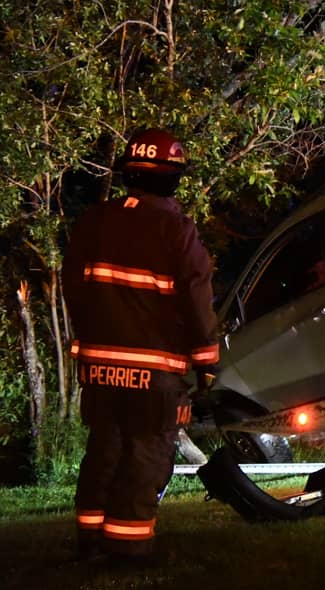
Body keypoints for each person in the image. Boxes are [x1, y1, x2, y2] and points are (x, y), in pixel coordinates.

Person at [62, 127, 219, 565]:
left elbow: (73, 285)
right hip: (155, 371)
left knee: (105, 448)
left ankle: (89, 538)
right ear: (174, 178)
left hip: (98, 368)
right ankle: (129, 547)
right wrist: (207, 360)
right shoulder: (176, 229)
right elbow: (196, 297)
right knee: (146, 451)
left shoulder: (95, 221)